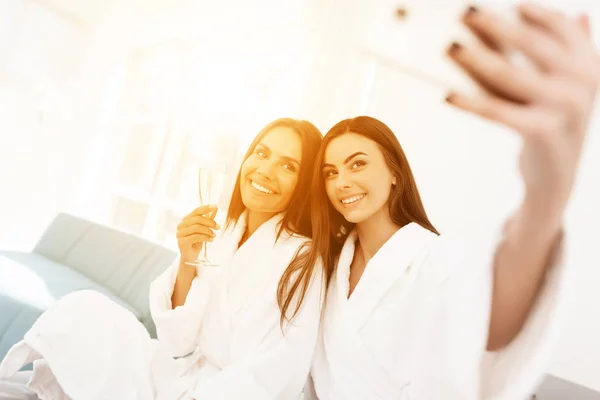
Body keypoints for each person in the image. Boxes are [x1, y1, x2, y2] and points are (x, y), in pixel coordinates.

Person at [305, 4, 599, 400]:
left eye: (357, 164)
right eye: (330, 172)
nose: (342, 181)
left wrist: (545, 197)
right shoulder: (330, 262)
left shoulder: (436, 259)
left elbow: (490, 327)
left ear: (395, 172)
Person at [0, 118, 325, 400]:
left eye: (288, 166)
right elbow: (176, 341)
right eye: (262, 153)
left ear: (304, 183)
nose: (265, 170)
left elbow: (277, 370)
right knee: (85, 308)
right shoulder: (224, 233)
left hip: (221, 394)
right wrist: (187, 260)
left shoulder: (303, 260)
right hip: (178, 374)